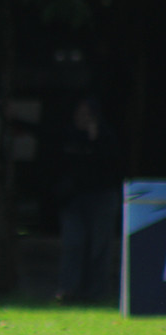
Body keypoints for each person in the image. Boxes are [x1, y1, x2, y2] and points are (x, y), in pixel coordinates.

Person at [53, 96, 122, 304]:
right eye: (78, 114)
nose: (81, 119)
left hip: (101, 196)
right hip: (74, 198)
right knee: (73, 244)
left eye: (86, 115)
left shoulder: (107, 137)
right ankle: (69, 289)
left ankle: (96, 292)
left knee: (99, 246)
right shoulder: (68, 136)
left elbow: (111, 165)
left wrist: (96, 140)